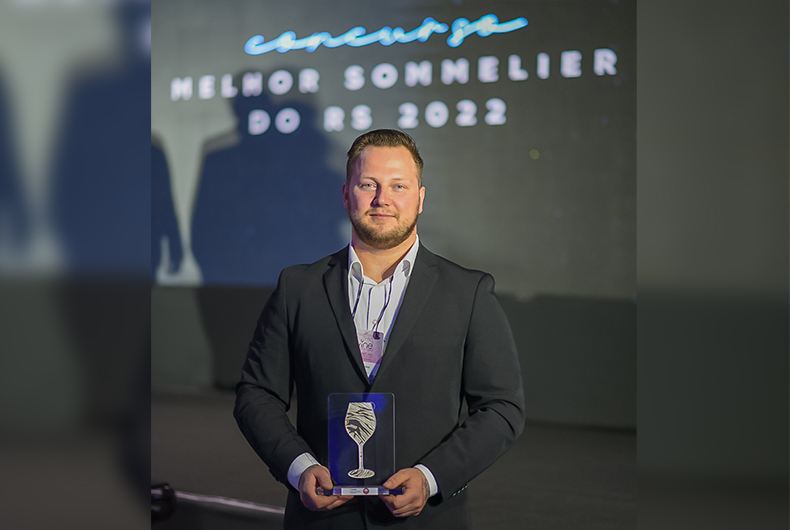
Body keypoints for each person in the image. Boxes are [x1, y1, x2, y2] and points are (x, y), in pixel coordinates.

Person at [234, 129, 525, 529]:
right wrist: (298, 467)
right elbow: (257, 394)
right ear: (346, 194)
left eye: (398, 186)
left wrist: (431, 477)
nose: (382, 198)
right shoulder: (297, 288)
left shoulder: (468, 293)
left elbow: (502, 408)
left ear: (420, 198)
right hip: (323, 520)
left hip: (426, 520)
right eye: (368, 184)